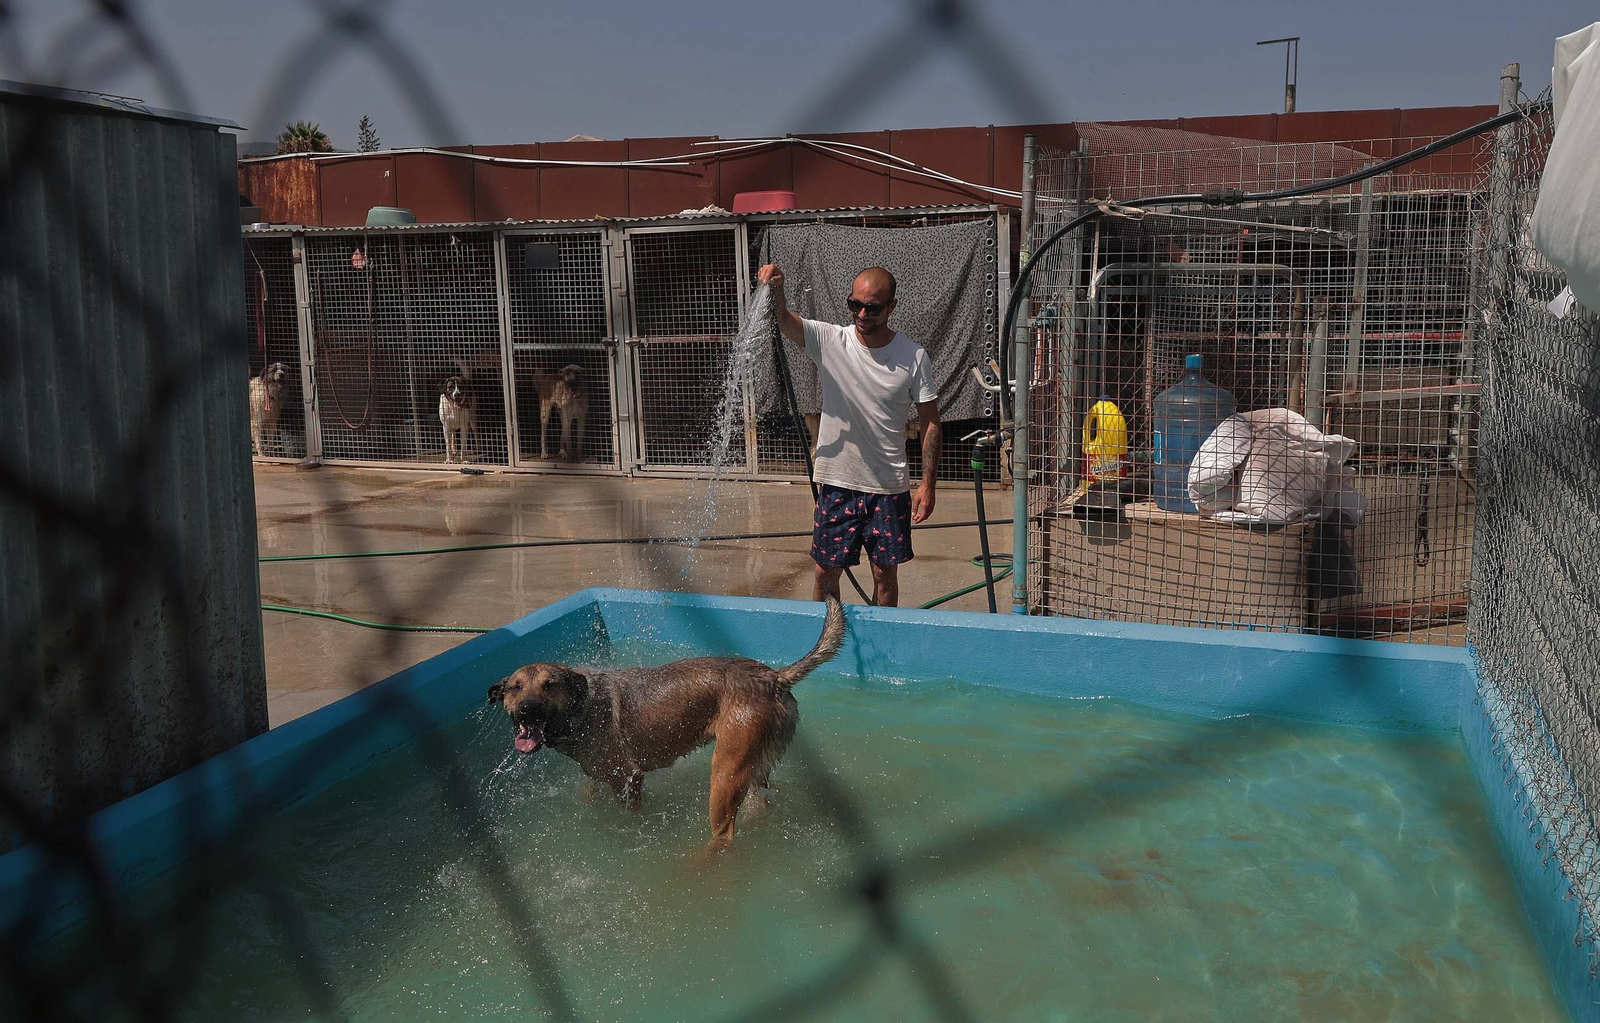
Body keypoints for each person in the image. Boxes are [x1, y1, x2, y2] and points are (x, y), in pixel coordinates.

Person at [757, 263, 941, 607]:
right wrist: (777, 289)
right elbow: (783, 320)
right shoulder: (831, 340)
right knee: (825, 572)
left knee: (884, 575)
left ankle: (880, 639)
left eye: (872, 307)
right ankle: (826, 637)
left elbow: (931, 421)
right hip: (837, 483)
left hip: (888, 488)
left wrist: (928, 483)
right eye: (854, 304)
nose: (861, 314)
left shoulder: (913, 356)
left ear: (891, 307)